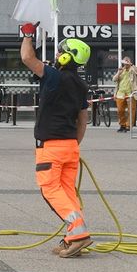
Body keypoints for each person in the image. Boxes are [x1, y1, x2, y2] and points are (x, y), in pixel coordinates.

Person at [22, 27, 93, 258]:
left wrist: (27, 34)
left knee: (51, 190)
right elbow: (83, 120)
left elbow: (27, 58)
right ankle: (73, 238)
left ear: (66, 57)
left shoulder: (53, 76)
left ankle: (78, 233)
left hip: (51, 147)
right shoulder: (81, 85)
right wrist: (74, 144)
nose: (56, 55)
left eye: (60, 52)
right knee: (68, 192)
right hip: (70, 146)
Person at [114, 55, 137, 132]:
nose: (125, 65)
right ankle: (122, 125)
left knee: (131, 110)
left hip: (131, 93)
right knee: (120, 110)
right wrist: (118, 72)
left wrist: (131, 65)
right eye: (124, 63)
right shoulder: (121, 70)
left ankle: (128, 125)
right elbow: (114, 79)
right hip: (121, 93)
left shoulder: (133, 69)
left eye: (126, 63)